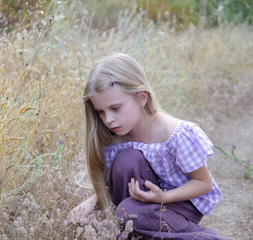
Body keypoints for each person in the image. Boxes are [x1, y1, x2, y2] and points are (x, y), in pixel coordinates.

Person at [68, 53, 227, 239]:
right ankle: (132, 234)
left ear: (142, 97)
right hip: (140, 205)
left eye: (116, 108)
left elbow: (203, 183)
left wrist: (163, 198)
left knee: (127, 211)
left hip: (180, 205)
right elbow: (114, 185)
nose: (108, 120)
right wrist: (92, 201)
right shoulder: (114, 140)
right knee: (127, 161)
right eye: (101, 112)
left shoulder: (175, 134)